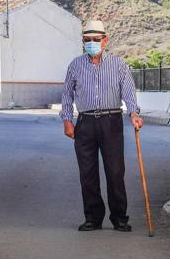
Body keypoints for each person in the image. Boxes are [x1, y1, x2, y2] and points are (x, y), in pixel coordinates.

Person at [60, 20, 143, 232]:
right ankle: (93, 218)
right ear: (83, 42)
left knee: (115, 172)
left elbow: (129, 93)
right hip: (85, 122)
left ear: (105, 41)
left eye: (96, 40)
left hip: (111, 121)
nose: (91, 43)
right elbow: (67, 95)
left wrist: (134, 113)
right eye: (87, 40)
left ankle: (120, 219)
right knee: (87, 173)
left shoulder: (118, 65)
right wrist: (67, 121)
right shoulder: (75, 65)